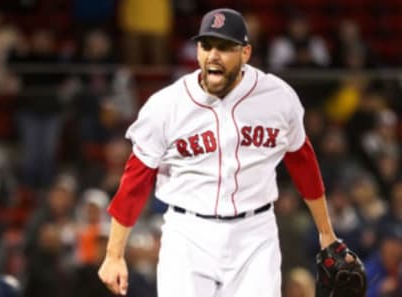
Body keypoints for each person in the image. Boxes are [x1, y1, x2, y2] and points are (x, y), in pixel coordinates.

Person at [98, 8, 346, 297]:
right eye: (206, 46)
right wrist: (114, 254)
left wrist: (326, 232)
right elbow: (135, 180)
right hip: (188, 234)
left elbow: (302, 161)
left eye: (225, 47)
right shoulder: (166, 105)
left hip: (255, 235)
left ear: (246, 53)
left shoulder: (277, 97)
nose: (213, 55)